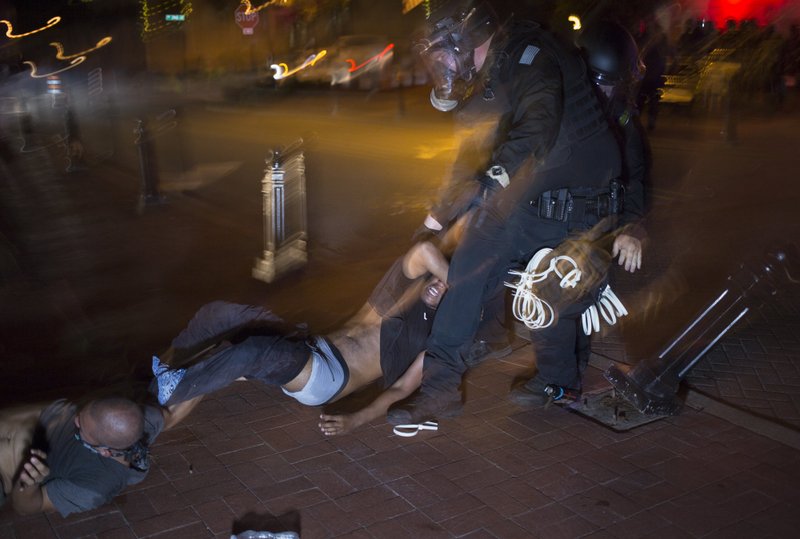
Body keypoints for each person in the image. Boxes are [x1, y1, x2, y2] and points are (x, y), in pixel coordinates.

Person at [388, 0, 645, 425]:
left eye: (444, 53)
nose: (443, 65)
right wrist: (434, 221)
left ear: (469, 38)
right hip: (530, 202)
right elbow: (468, 157)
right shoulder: (489, 78)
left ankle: (559, 379)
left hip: (580, 206)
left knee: (548, 297)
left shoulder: (532, 54)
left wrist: (490, 184)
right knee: (469, 266)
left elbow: (538, 126)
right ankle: (439, 390)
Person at [151, 239, 452, 437]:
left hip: (325, 378)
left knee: (248, 354)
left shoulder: (429, 341)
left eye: (443, 290)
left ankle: (174, 382)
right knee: (223, 343)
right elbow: (424, 251)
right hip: (309, 347)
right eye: (439, 279)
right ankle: (157, 423)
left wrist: (355, 421)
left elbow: (400, 389)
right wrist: (457, 284)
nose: (438, 285)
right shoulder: (394, 300)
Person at [509, 19, 649, 407]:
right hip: (548, 221)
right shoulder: (560, 105)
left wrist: (633, 227)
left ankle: (558, 383)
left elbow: (635, 179)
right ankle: (570, 371)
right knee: (569, 302)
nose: (600, 92)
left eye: (608, 83)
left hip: (595, 225)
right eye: (594, 81)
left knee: (550, 300)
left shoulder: (621, 121)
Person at [0, 395, 200, 517]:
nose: (75, 420)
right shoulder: (121, 414)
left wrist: (27, 483)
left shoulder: (94, 486)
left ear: (104, 451)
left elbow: (26, 508)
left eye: (81, 426)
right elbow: (170, 413)